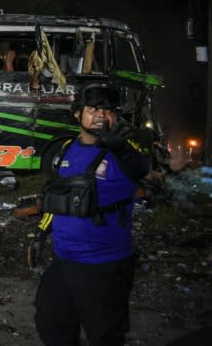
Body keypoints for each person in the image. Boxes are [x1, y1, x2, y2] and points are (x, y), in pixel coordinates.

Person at [33, 82, 150, 345]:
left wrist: (121, 148)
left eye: (108, 110)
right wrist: (41, 233)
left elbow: (141, 167)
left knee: (105, 336)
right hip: (64, 260)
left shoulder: (123, 153)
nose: (101, 114)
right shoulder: (66, 149)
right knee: (51, 325)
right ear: (77, 113)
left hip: (104, 266)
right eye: (94, 108)